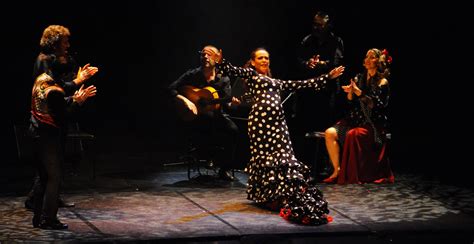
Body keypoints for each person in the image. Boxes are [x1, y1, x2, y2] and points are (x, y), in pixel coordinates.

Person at [215, 47, 345, 225]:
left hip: (279, 125)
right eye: (260, 58)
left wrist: (327, 77)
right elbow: (233, 70)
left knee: (285, 158)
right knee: (266, 159)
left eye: (266, 58)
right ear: (253, 62)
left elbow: (300, 84)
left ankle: (281, 194)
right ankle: (268, 196)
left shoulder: (275, 81)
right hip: (261, 126)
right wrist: (221, 62)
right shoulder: (251, 75)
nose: (264, 61)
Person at [25, 25, 99, 211]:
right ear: (55, 43)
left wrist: (77, 81)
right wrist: (78, 84)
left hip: (56, 115)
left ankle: (47, 198)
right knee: (51, 165)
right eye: (65, 42)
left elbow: (65, 84)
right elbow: (57, 89)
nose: (68, 45)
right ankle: (39, 201)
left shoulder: (58, 60)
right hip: (48, 118)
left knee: (53, 163)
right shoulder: (44, 61)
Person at [30, 72, 97, 229]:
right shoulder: (54, 91)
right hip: (47, 138)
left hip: (36, 133)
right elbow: (63, 116)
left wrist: (73, 98)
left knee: (43, 177)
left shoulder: (42, 80)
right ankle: (48, 219)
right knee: (54, 178)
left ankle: (38, 217)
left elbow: (56, 103)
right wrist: (77, 102)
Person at [168, 45, 241, 181]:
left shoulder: (223, 78)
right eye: (203, 54)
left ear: (217, 58)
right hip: (195, 117)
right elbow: (171, 89)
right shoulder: (192, 74)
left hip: (217, 115)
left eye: (209, 54)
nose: (205, 57)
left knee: (233, 130)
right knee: (206, 121)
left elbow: (229, 104)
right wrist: (185, 100)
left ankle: (224, 169)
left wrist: (234, 103)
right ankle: (209, 155)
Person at [322, 48, 394, 184]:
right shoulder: (359, 77)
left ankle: (349, 174)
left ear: (378, 62)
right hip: (355, 119)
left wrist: (359, 92)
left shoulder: (382, 82)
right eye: (366, 56)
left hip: (372, 123)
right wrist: (350, 93)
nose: (367, 59)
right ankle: (336, 171)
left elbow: (375, 104)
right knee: (329, 133)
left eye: (372, 57)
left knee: (352, 134)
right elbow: (351, 102)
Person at [293, 11, 345, 172]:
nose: (316, 27)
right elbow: (298, 61)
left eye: (320, 25)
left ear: (328, 25)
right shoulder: (307, 40)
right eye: (315, 24)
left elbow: (337, 63)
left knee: (325, 128)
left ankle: (326, 165)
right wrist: (308, 63)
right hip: (309, 92)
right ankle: (306, 164)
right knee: (307, 127)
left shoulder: (336, 41)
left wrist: (321, 64)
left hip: (327, 93)